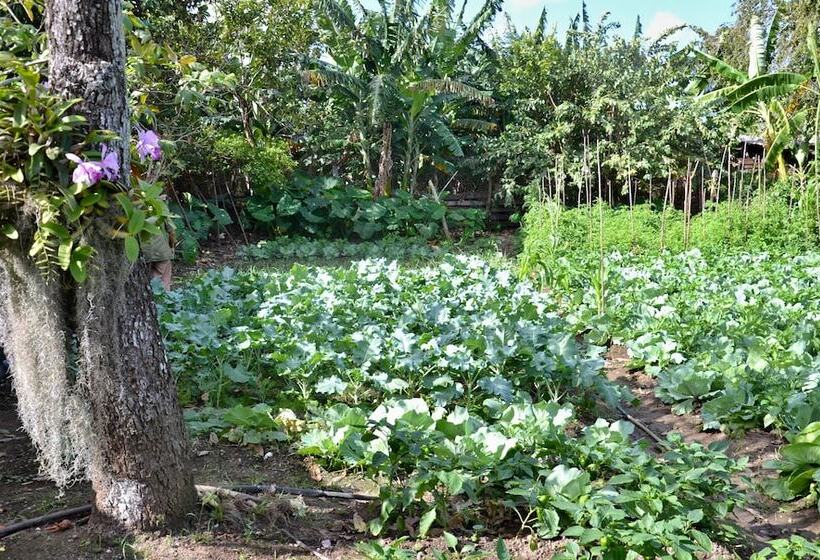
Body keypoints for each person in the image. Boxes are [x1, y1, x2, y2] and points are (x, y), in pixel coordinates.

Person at [142, 219, 176, 290]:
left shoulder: (136, 212)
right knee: (164, 278)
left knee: (147, 275)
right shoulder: (160, 213)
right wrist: (172, 247)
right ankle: (163, 296)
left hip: (144, 253)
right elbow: (172, 233)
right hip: (162, 252)